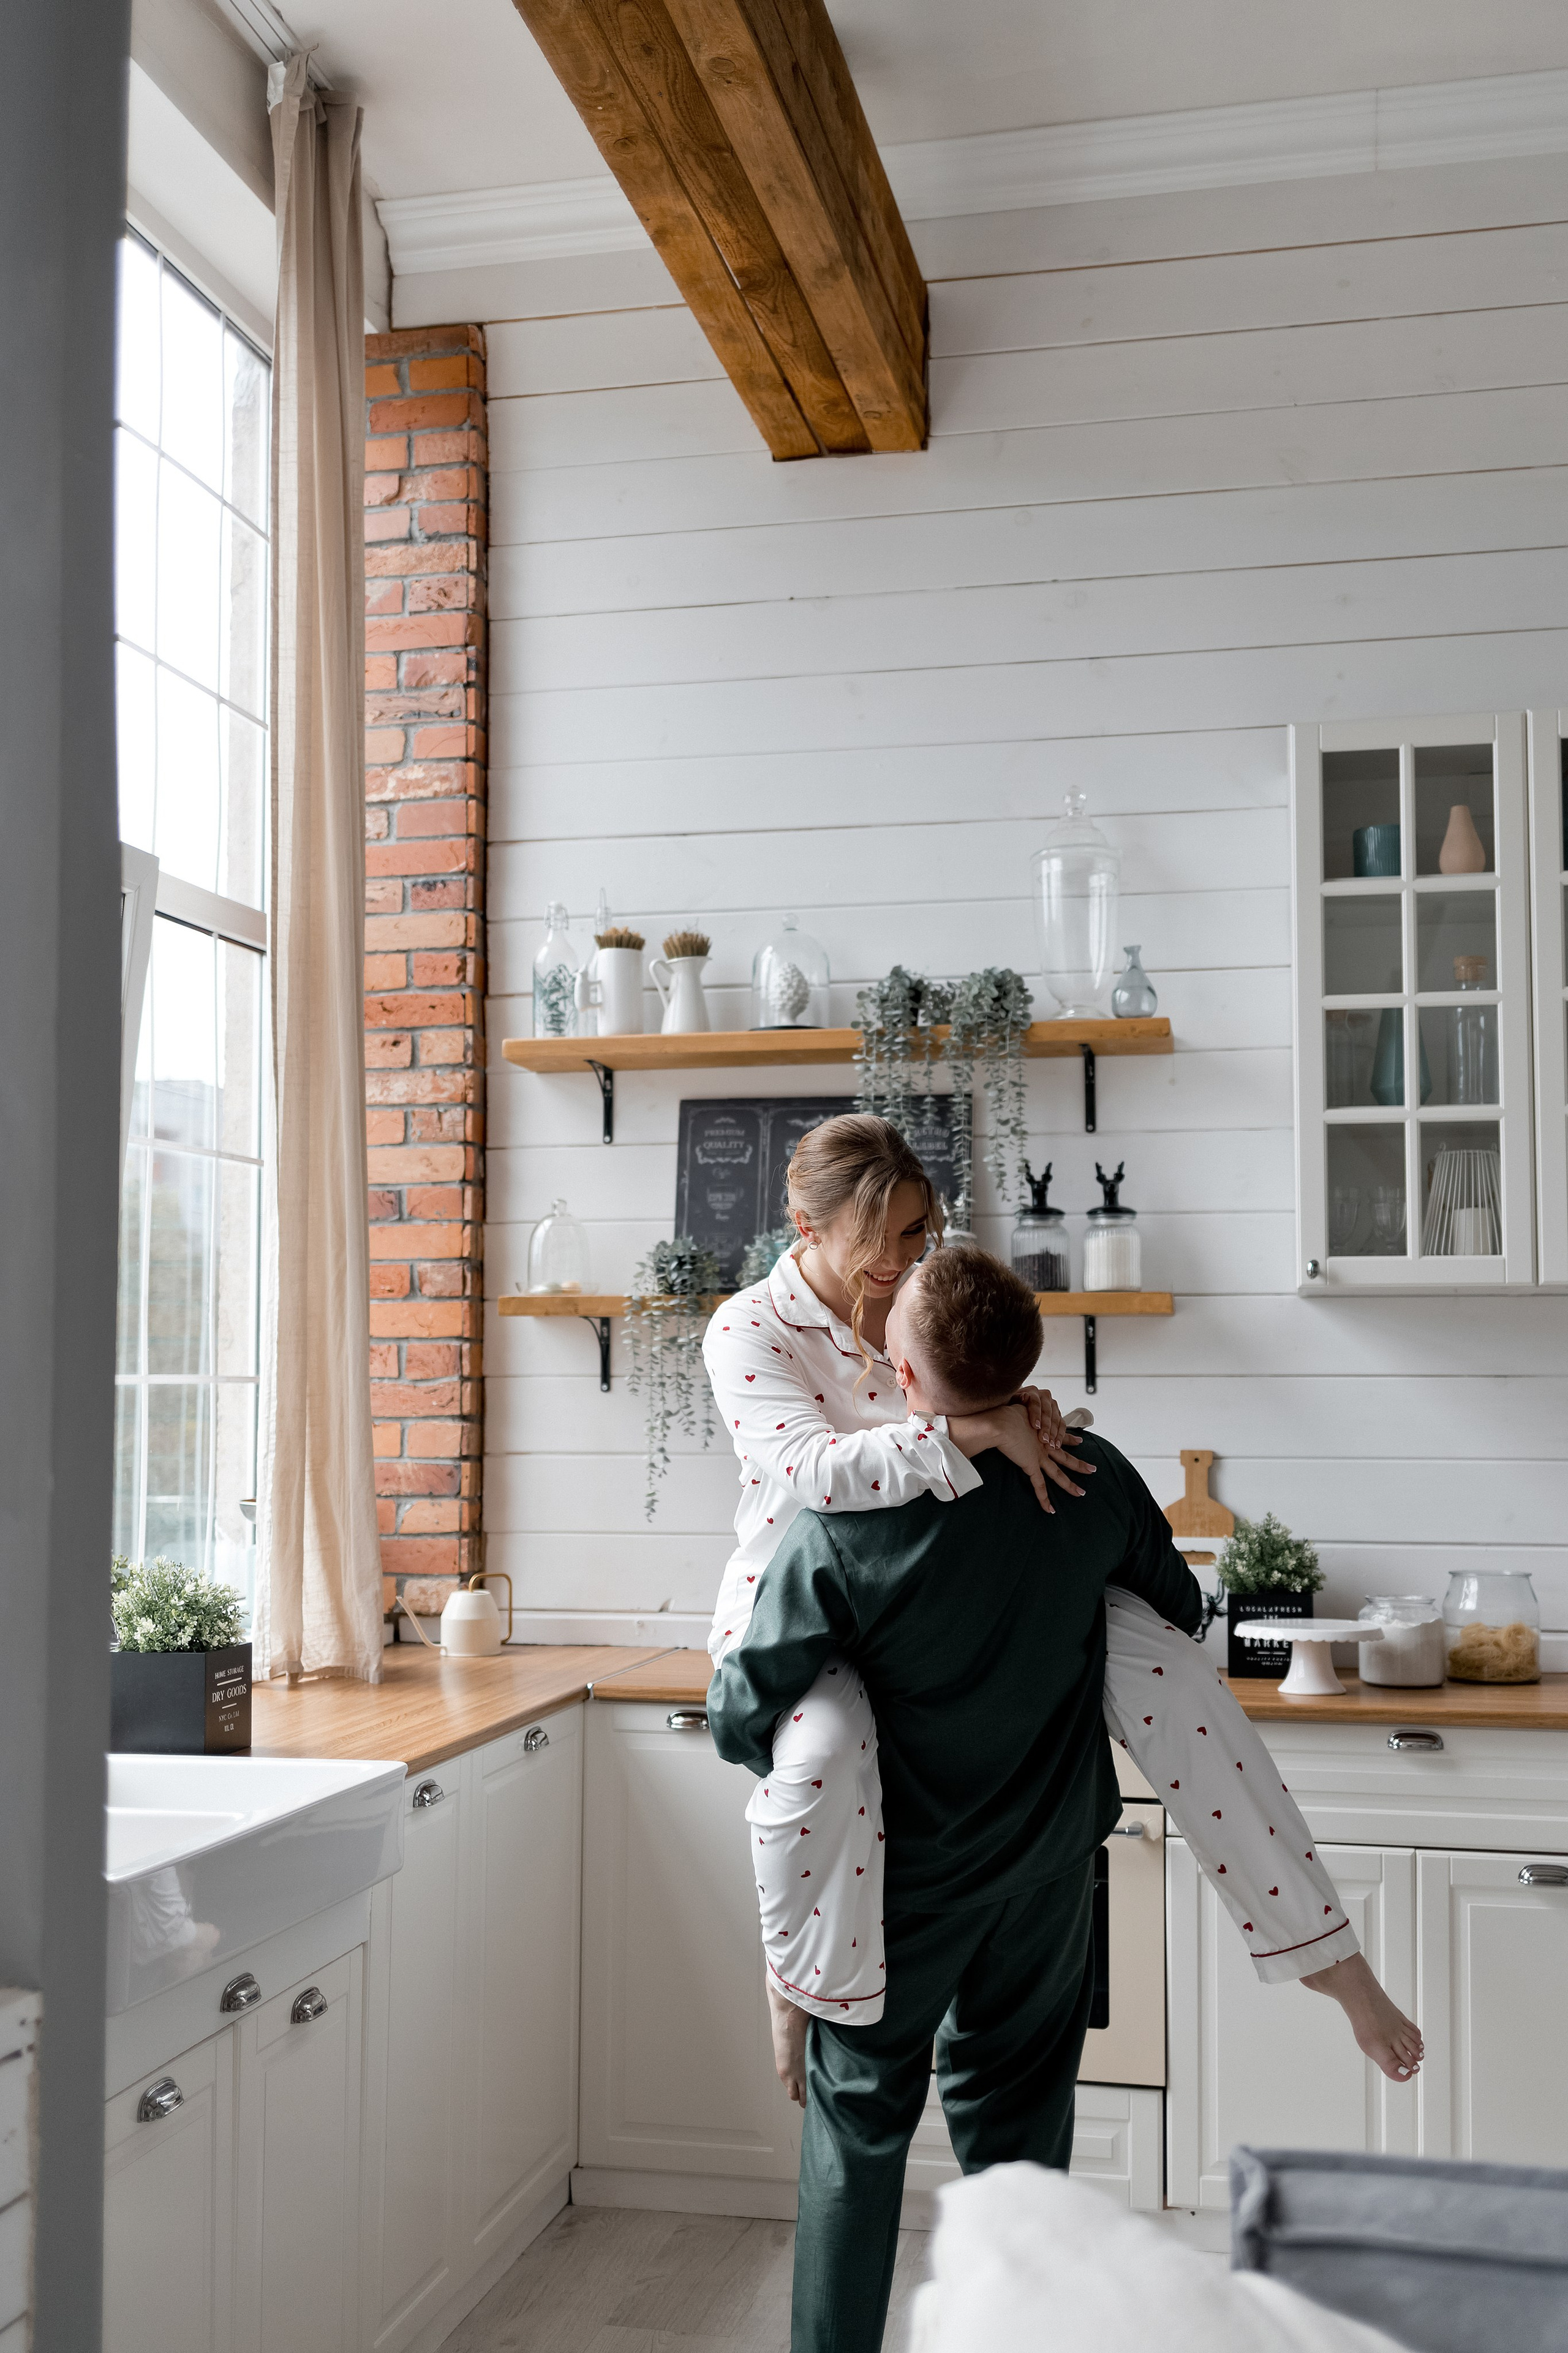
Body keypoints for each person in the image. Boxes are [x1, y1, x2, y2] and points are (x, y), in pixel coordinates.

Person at [701, 1114, 1421, 2106]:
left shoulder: (913, 1290)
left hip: (961, 1583)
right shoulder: (747, 1327)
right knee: (820, 1758)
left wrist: (1018, 1404)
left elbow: (969, 1375)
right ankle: (797, 1981)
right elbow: (812, 1473)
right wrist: (980, 1427)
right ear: (804, 1225)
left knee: (1180, 1682)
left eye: (917, 1232)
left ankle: (1337, 1969)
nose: (905, 1258)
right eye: (881, 1237)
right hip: (813, 1611)